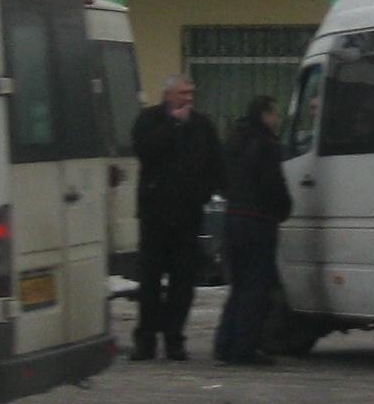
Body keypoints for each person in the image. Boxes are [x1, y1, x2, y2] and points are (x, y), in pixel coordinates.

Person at [125, 74, 222, 362]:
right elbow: (146, 152)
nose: (188, 99)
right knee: (150, 281)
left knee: (182, 283)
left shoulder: (202, 125)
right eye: (183, 93)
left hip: (188, 216)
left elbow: (216, 164)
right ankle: (146, 340)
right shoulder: (149, 120)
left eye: (191, 93)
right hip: (155, 216)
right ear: (167, 95)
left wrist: (204, 192)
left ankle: (174, 338)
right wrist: (172, 125)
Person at [213, 92, 294, 366]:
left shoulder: (234, 140)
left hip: (233, 217)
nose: (277, 119)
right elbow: (274, 185)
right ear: (265, 115)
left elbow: (221, 178)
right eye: (275, 114)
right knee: (256, 287)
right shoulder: (266, 144)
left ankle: (225, 343)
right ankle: (244, 348)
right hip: (257, 221)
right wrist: (283, 209)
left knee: (238, 286)